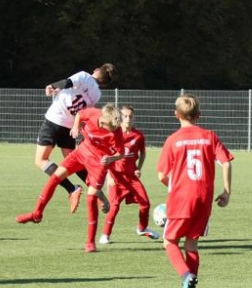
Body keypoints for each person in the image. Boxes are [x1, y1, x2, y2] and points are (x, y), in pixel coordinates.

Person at [156, 94, 232, 288]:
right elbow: (226, 163)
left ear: (176, 115)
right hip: (204, 199)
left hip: (181, 198)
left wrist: (174, 187)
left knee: (169, 242)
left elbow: (161, 175)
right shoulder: (209, 136)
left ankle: (186, 276)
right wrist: (226, 192)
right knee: (191, 244)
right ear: (199, 115)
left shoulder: (173, 140)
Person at [17, 103, 124, 253]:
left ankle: (90, 242)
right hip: (80, 153)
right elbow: (80, 114)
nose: (110, 130)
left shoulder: (116, 131)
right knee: (55, 178)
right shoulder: (93, 113)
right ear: (102, 118)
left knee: (91, 199)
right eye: (108, 126)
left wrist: (111, 158)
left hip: (98, 163)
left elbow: (121, 152)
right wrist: (75, 127)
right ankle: (36, 214)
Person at [35, 64, 116, 214]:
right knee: (74, 162)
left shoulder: (84, 75)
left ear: (96, 70)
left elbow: (68, 83)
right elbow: (80, 105)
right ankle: (95, 188)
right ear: (104, 83)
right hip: (70, 127)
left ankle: (72, 189)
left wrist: (53, 86)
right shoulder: (97, 94)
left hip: (54, 120)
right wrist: (60, 91)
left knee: (41, 160)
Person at [99, 105, 160, 245]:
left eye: (130, 116)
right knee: (114, 207)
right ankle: (105, 235)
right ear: (119, 118)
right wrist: (109, 177)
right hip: (116, 177)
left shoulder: (138, 136)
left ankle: (142, 228)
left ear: (134, 118)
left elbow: (143, 153)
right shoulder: (113, 133)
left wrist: (138, 168)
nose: (127, 119)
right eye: (125, 116)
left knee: (145, 203)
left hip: (132, 177)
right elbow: (106, 156)